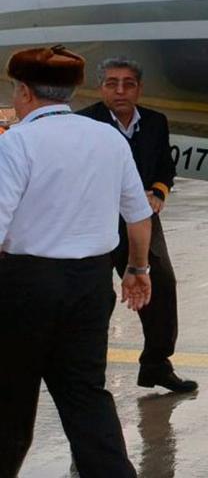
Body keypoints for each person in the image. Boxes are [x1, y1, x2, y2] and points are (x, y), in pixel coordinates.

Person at [0, 45, 153, 478]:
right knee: (86, 397)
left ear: (25, 92)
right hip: (89, 284)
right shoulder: (107, 138)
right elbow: (138, 217)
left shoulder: (17, 143)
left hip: (24, 285)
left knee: (10, 402)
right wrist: (137, 269)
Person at [78, 57, 196, 393]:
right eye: (112, 83)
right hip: (97, 223)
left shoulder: (156, 122)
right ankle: (89, 373)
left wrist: (159, 193)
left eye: (128, 83)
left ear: (139, 89)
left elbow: (164, 168)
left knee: (161, 286)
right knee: (96, 297)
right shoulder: (85, 123)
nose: (120, 90)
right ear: (100, 88)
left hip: (141, 219)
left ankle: (156, 364)